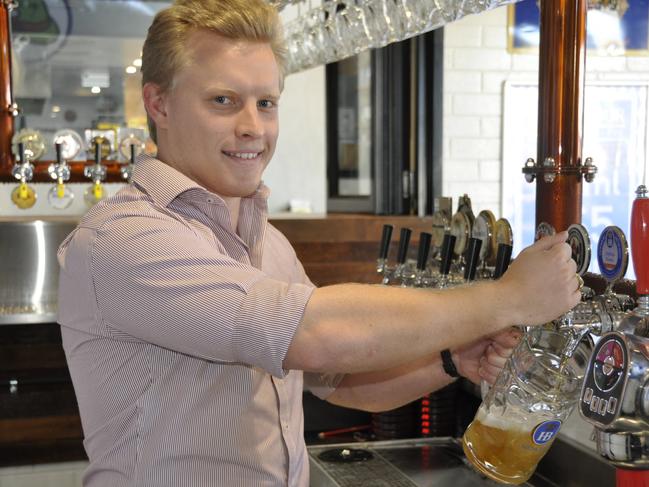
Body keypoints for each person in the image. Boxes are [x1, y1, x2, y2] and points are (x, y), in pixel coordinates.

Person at [56, 0, 580, 486]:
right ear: (159, 104)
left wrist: (449, 360)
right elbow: (316, 334)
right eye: (223, 101)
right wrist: (507, 298)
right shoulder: (122, 238)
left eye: (266, 103)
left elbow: (339, 379)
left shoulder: (268, 240)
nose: (252, 128)